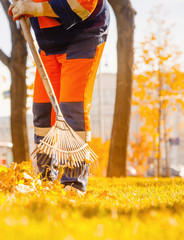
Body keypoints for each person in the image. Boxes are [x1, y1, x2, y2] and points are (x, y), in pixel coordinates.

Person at [9, 0, 110, 194]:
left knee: (72, 108)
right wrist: (21, 7)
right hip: (49, 44)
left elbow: (83, 4)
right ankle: (46, 179)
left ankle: (74, 183)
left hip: (83, 36)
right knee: (42, 111)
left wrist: (36, 8)